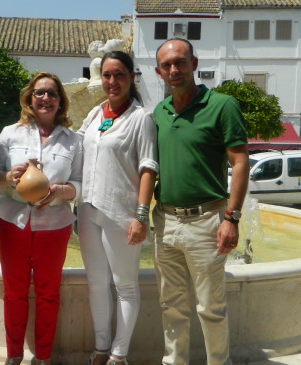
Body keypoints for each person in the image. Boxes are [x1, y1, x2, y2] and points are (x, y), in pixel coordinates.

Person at [152, 38, 249, 365]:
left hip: (208, 221)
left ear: (194, 64)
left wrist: (231, 219)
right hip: (165, 221)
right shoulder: (159, 112)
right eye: (166, 65)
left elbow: (239, 162)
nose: (174, 70)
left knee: (210, 308)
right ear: (158, 71)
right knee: (171, 305)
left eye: (180, 62)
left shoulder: (222, 105)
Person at [0, 72, 82, 365]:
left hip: (55, 224)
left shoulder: (74, 141)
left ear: (60, 101)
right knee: (14, 292)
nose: (46, 98)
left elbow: (82, 184)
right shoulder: (10, 133)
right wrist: (6, 177)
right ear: (30, 98)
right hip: (12, 221)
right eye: (40, 93)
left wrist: (64, 190)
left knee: (49, 293)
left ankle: (44, 357)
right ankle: (14, 355)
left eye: (52, 94)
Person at [76, 51, 158, 365]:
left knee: (125, 285)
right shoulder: (96, 112)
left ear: (131, 78)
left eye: (119, 74)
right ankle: (100, 348)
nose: (112, 81)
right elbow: (76, 146)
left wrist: (141, 215)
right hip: (88, 209)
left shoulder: (141, 117)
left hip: (122, 213)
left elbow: (149, 167)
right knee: (96, 283)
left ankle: (118, 354)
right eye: (107, 75)